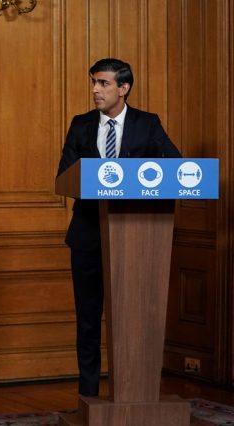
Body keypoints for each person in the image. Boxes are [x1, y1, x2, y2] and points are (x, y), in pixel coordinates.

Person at [56, 58, 181, 397]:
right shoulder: (80, 124)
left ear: (123, 88)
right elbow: (64, 175)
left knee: (135, 319)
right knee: (88, 319)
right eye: (94, 83)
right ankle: (89, 397)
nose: (95, 89)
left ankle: (134, 395)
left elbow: (176, 167)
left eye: (104, 83)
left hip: (137, 236)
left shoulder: (148, 124)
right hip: (87, 235)